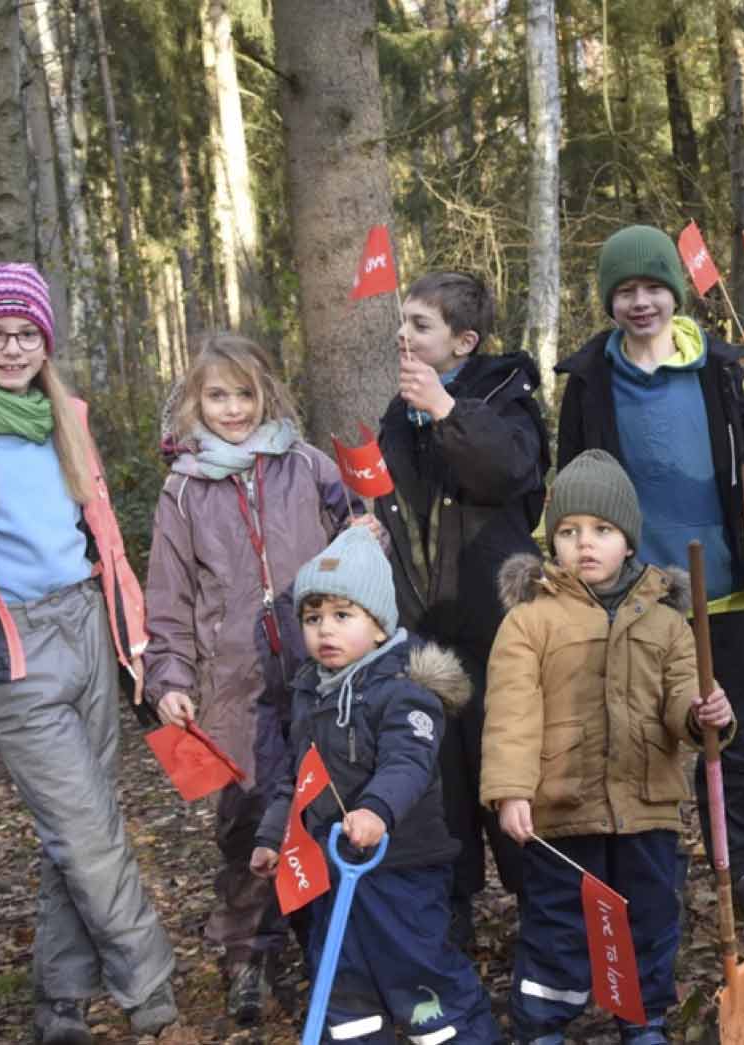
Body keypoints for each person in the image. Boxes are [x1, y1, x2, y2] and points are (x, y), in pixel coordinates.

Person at [555, 226, 744, 919]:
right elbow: (572, 480)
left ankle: (742, 859)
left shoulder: (721, 368)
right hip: (633, 592)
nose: (640, 302)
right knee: (639, 732)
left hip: (716, 586)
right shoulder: (591, 380)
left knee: (728, 728)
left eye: (653, 287)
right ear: (609, 300)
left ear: (675, 293)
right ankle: (648, 865)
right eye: (625, 290)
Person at [0, 263, 179, 1043]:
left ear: (46, 342)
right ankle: (153, 996)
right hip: (17, 652)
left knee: (81, 828)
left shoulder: (67, 417)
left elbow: (102, 538)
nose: (11, 348)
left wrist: (132, 635)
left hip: (89, 628)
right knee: (88, 833)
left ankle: (59, 1004)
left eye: (25, 333)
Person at [143, 333, 363, 1024]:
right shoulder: (183, 491)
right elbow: (169, 595)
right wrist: (169, 675)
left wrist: (368, 540)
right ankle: (247, 952)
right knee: (247, 820)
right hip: (234, 683)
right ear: (194, 401)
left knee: (326, 797)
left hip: (320, 667)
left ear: (267, 393)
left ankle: (332, 939)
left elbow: (357, 538)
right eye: (217, 395)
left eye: (245, 393)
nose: (233, 408)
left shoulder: (310, 465)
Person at [481, 450, 735, 1045]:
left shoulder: (666, 621)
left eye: (602, 529)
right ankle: (544, 1022)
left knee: (649, 916)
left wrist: (703, 714)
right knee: (557, 922)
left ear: (629, 541)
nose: (585, 544)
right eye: (569, 532)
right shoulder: (531, 620)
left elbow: (682, 694)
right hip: (562, 809)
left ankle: (642, 1019)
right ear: (552, 541)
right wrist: (512, 791)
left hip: (646, 806)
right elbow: (512, 711)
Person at [251, 526, 502, 1043]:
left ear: (381, 628)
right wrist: (273, 835)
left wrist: (376, 811)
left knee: (420, 973)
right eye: (313, 618)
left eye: (342, 616)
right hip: (333, 869)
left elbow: (407, 763)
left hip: (400, 868)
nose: (325, 629)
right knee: (343, 980)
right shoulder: (309, 692)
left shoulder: (403, 693)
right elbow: (298, 778)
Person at [375, 271, 549, 946]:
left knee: (504, 762)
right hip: (424, 626)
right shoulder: (399, 412)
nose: (403, 335)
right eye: (402, 321)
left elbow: (509, 472)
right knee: (438, 772)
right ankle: (453, 906)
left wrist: (447, 410)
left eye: (420, 325)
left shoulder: (508, 395)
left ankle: (539, 903)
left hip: (494, 620)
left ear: (464, 341)